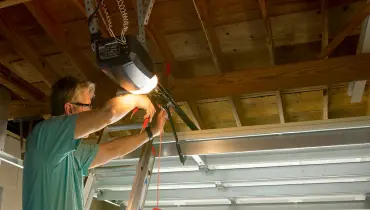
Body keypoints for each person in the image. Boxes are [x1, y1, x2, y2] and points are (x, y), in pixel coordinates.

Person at [22, 76, 167, 210]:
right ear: (69, 109)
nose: (91, 111)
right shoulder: (46, 136)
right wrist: (137, 99)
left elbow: (113, 149)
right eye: (87, 106)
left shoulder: (73, 152)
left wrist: (152, 132)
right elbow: (107, 114)